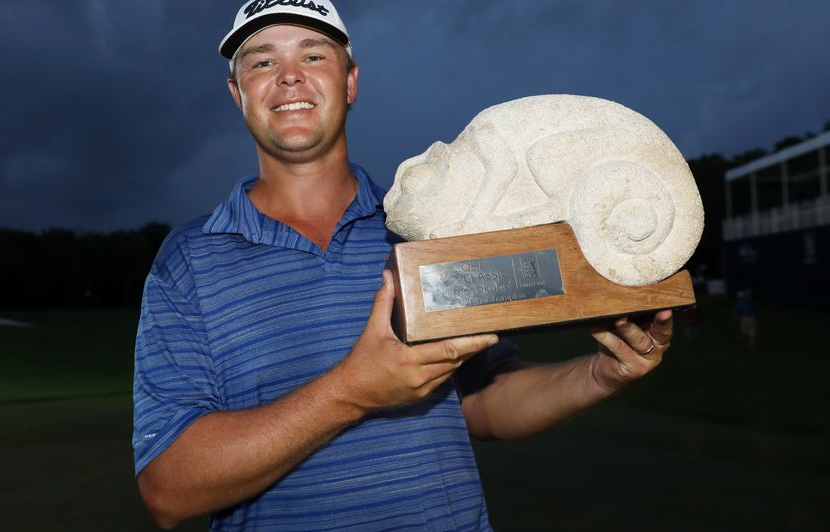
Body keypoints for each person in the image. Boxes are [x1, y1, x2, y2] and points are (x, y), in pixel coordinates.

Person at [132, 1, 674, 529]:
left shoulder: (430, 231)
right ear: (238, 93)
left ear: (350, 81)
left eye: (314, 55)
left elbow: (482, 403)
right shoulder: (189, 260)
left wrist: (600, 375)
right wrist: (352, 390)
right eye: (262, 61)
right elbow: (168, 490)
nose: (290, 77)